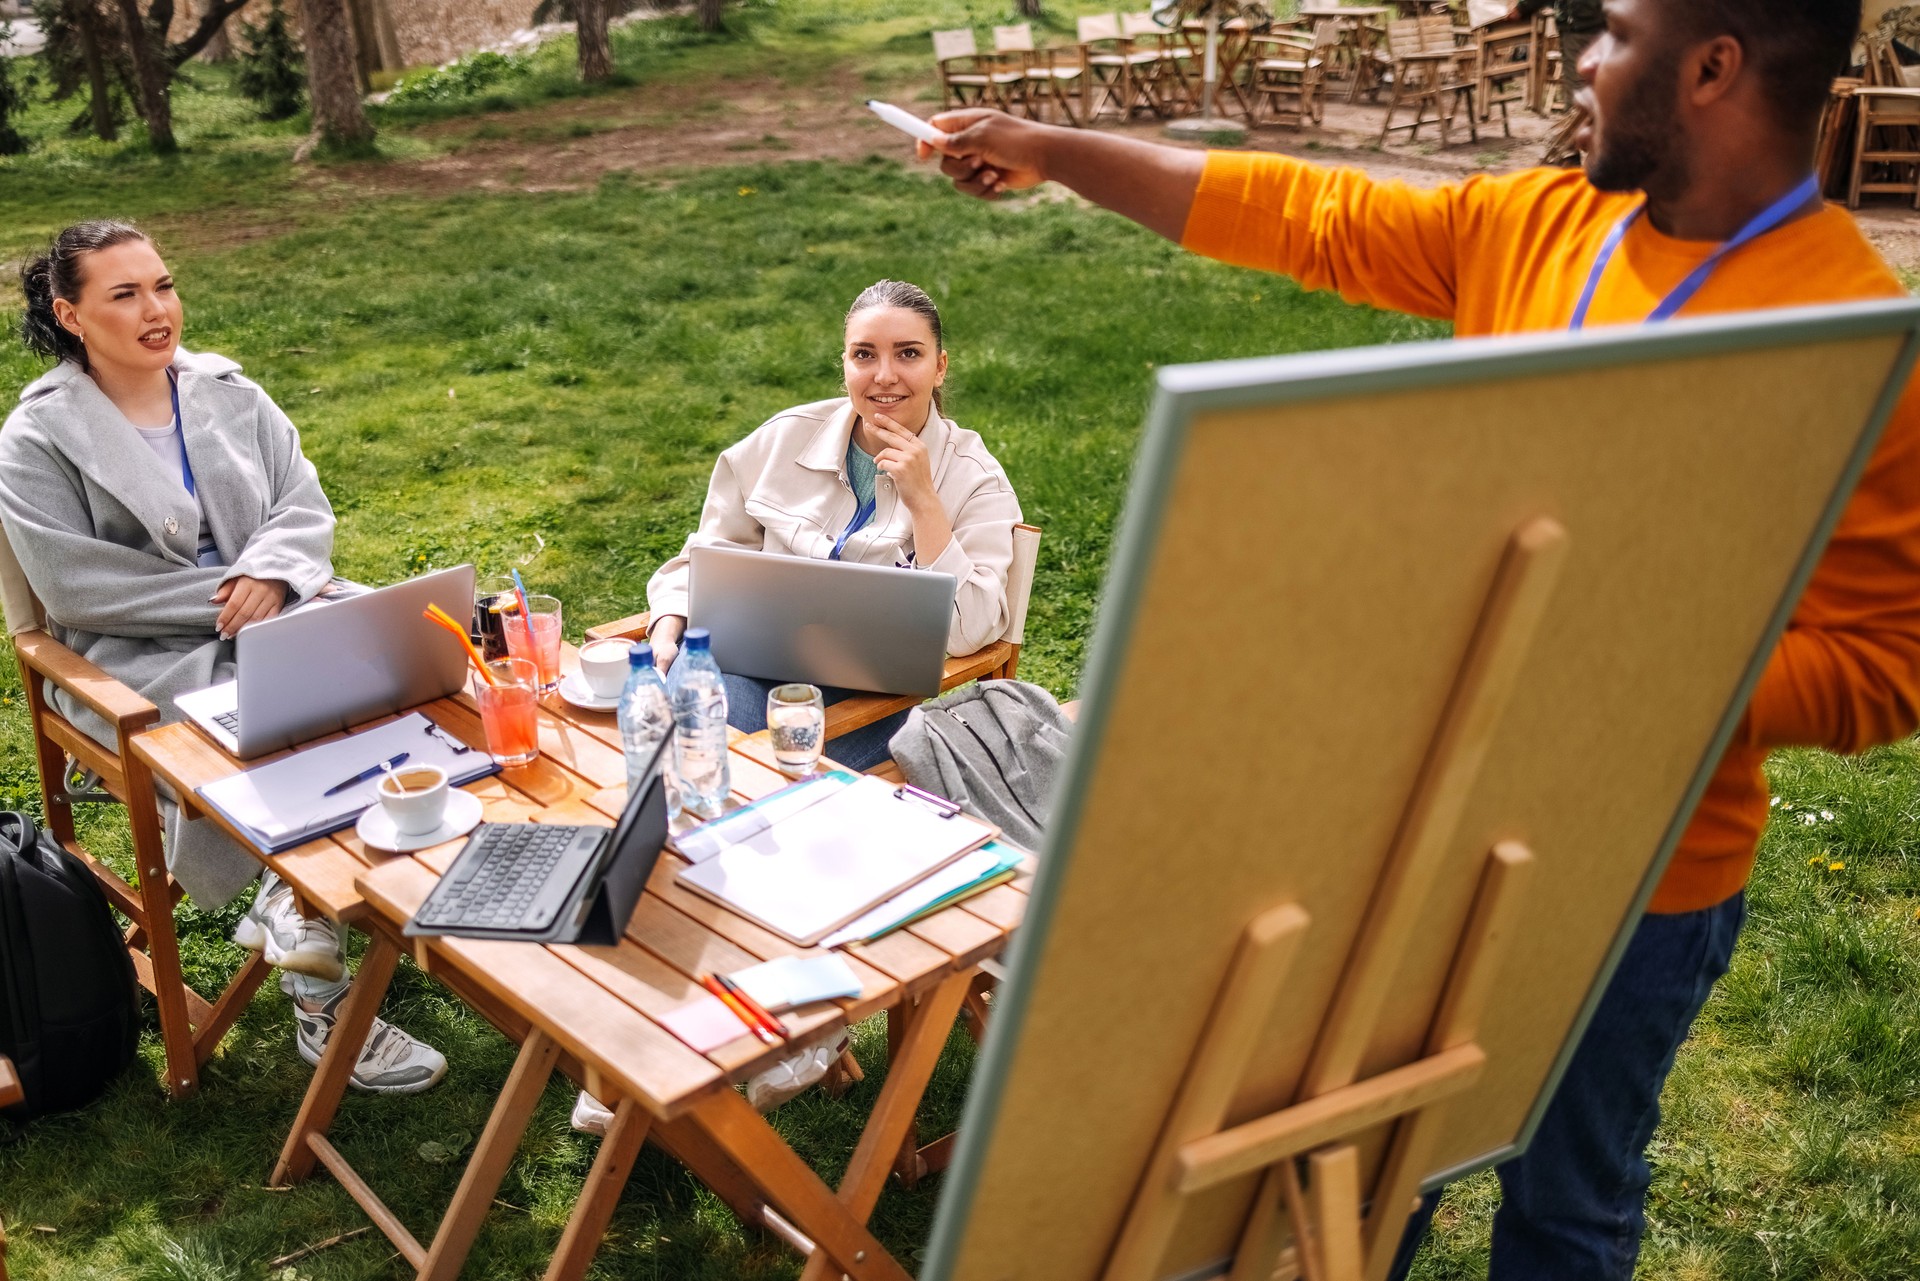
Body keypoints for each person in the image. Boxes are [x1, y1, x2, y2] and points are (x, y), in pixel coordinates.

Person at [920, 1, 1919, 1276]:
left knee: (1571, 1211)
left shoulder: (1853, 340)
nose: (1585, 65)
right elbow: (1294, 210)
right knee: (1369, 1183)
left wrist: (1651, 658)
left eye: (1612, 35)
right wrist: (1051, 148)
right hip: (1429, 846)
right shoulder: (1539, 224)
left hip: (1646, 889)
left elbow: (1891, 667)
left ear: (1714, 68)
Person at [1, 221, 446, 1094]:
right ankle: (319, 984)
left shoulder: (228, 389)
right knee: (277, 721)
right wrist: (233, 605)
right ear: (70, 313)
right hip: (136, 659)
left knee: (406, 676)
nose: (156, 310)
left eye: (162, 285)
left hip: (279, 608)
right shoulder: (37, 438)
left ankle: (309, 903)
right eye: (124, 295)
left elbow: (302, 501)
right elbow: (79, 587)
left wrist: (273, 577)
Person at [644, 279, 1023, 771]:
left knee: (731, 764)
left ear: (940, 367)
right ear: (845, 364)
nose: (884, 376)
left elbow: (970, 630)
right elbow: (703, 558)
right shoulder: (780, 441)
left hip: (870, 699)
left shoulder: (977, 480)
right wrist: (667, 627)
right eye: (864, 355)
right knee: (695, 732)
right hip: (750, 664)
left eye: (908, 354)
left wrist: (925, 502)